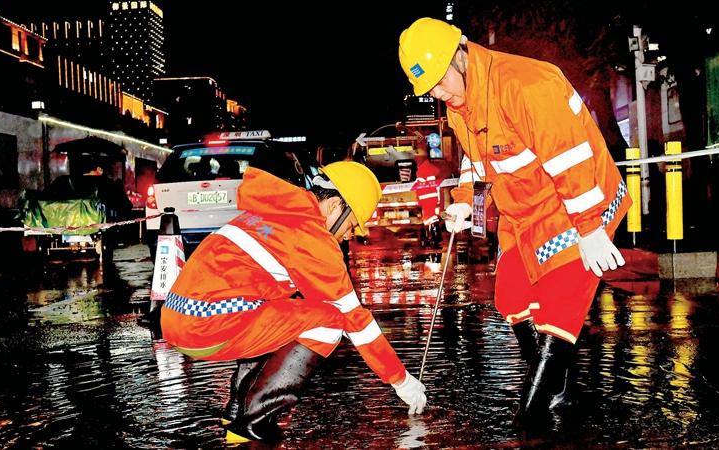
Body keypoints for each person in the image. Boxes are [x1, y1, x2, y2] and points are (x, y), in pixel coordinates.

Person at [399, 18, 631, 429]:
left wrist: (591, 229)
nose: (438, 93)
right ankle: (560, 390)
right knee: (510, 298)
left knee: (558, 313)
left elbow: (570, 158)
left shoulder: (526, 85)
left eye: (439, 81)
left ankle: (532, 417)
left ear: (460, 55)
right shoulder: (460, 108)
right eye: (429, 89)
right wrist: (464, 205)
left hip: (574, 205)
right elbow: (474, 164)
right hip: (523, 212)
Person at [159, 161, 427, 443]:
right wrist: (401, 380)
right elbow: (355, 321)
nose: (349, 235)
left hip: (177, 317)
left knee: (285, 310)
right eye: (351, 225)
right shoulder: (311, 236)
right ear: (336, 205)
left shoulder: (274, 211)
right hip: (205, 326)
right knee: (331, 320)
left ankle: (237, 410)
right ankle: (254, 423)